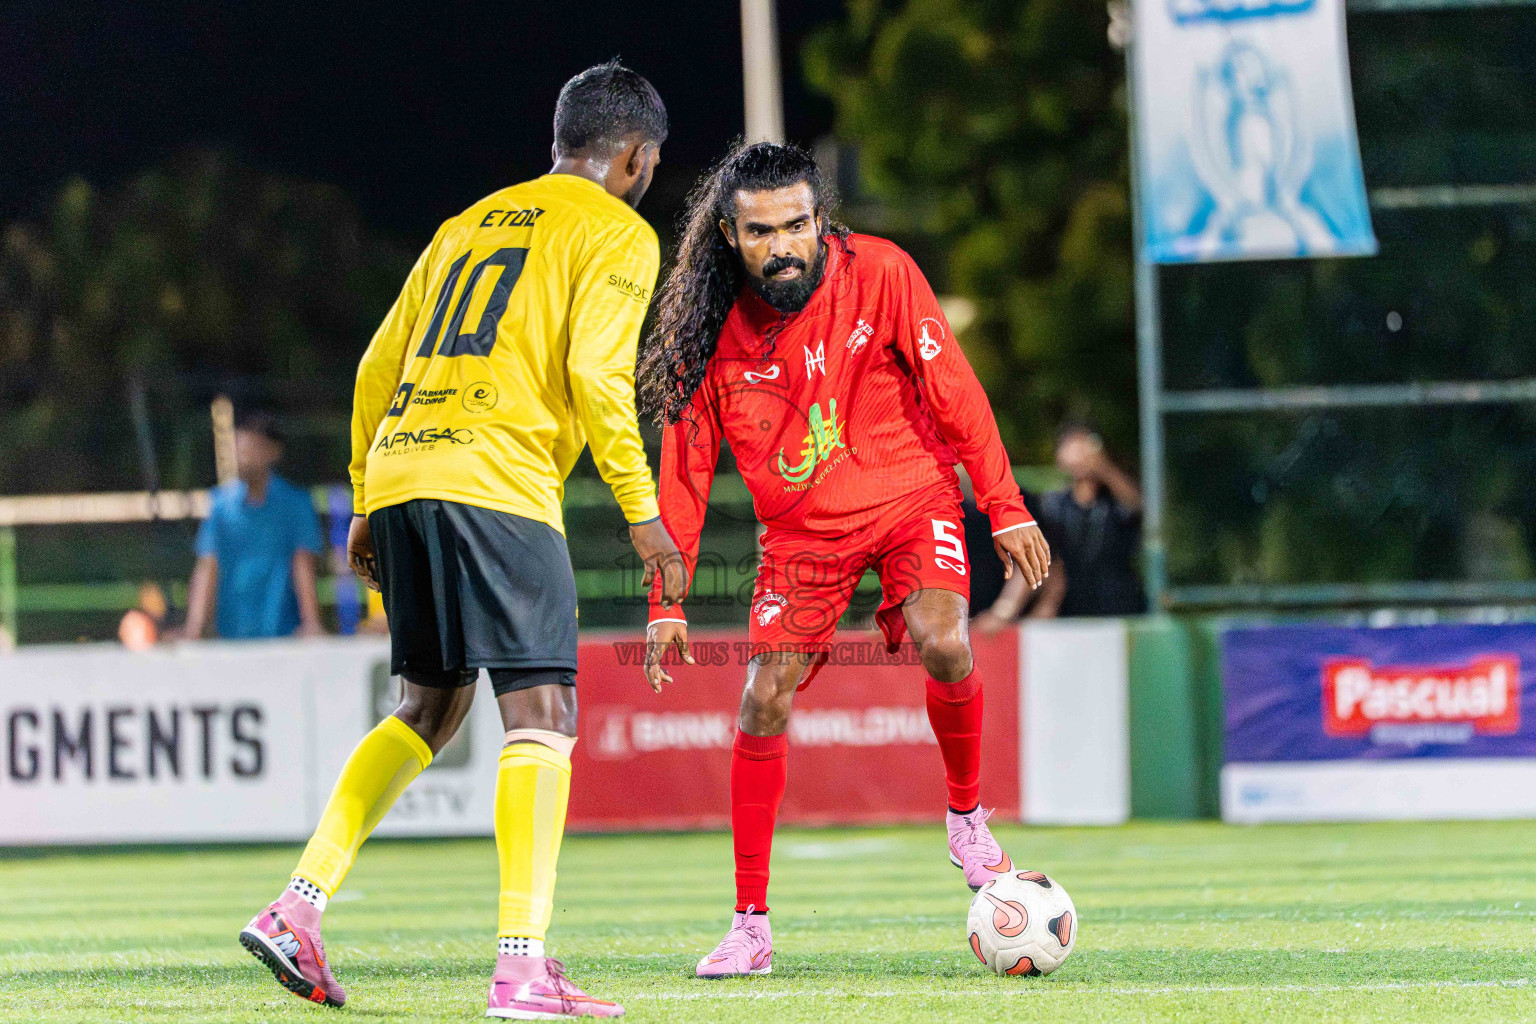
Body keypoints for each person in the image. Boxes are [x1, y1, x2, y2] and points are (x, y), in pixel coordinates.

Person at [238, 61, 685, 1020]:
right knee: (543, 717)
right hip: (499, 481)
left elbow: (374, 365)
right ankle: (522, 968)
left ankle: (298, 904)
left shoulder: (465, 224)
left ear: (559, 143)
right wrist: (644, 516)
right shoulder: (618, 232)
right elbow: (598, 379)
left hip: (404, 473)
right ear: (637, 158)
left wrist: (365, 496)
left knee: (427, 711)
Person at [634, 142, 1051, 978]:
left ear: (819, 219)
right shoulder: (705, 332)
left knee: (945, 639)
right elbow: (680, 472)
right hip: (799, 538)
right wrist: (666, 602)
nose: (784, 244)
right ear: (728, 234)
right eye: (762, 232)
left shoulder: (884, 272)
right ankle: (750, 926)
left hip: (910, 496)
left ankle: (966, 820)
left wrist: (1002, 503)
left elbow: (955, 390)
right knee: (763, 696)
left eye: (798, 224)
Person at [177, 411, 324, 640]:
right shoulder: (219, 505)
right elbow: (208, 567)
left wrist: (312, 624)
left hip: (283, 636)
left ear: (273, 451)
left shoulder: (296, 504)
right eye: (237, 448)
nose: (241, 456)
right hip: (230, 635)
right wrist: (194, 629)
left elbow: (303, 565)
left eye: (250, 448)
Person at [979, 424, 1145, 624]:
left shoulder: (1113, 501)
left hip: (1119, 610)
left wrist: (1103, 467)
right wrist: (1006, 610)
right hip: (1069, 614)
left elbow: (1137, 506)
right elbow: (1038, 559)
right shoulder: (1052, 505)